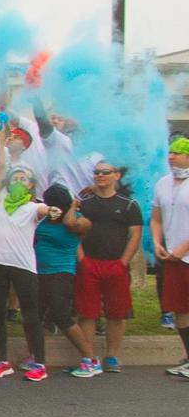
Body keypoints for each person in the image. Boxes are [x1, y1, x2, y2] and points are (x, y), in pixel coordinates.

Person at [0, 143, 53, 382]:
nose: (18, 180)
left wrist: (51, 211)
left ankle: (39, 363)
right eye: (15, 177)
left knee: (30, 315)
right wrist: (0, 139)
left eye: (24, 178)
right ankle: (2, 360)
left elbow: (45, 210)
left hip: (23, 266)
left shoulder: (32, 207)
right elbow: (1, 167)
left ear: (31, 185)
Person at [69, 160, 142, 375]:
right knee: (87, 312)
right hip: (89, 263)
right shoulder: (86, 204)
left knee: (116, 313)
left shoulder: (129, 204)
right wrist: (81, 258)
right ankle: (89, 356)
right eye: (97, 172)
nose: (100, 176)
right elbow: (73, 229)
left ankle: (112, 356)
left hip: (116, 265)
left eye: (105, 172)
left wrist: (124, 262)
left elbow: (135, 234)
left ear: (116, 176)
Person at [34, 185, 98, 378]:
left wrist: (73, 206)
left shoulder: (80, 220)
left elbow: (70, 223)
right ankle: (35, 356)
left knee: (61, 316)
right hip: (40, 272)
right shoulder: (45, 218)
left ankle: (89, 359)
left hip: (61, 273)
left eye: (58, 204)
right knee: (35, 315)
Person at [151, 137, 189, 377]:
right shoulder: (163, 183)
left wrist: (184, 247)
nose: (171, 156)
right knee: (180, 308)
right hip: (172, 256)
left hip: (184, 254)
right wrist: (156, 242)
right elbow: (156, 218)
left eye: (177, 153)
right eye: (170, 152)